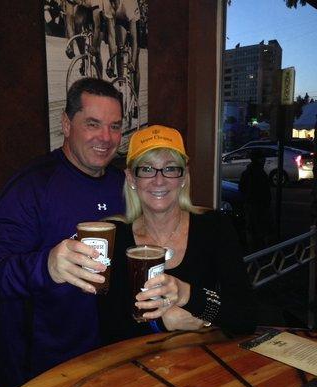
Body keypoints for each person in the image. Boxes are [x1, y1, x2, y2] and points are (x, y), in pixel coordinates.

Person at [0, 78, 125, 387]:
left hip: (108, 360)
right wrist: (46, 265)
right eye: (93, 124)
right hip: (39, 371)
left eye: (115, 126)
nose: (106, 138)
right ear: (66, 124)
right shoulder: (32, 186)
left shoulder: (122, 183)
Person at [98, 125, 256, 345]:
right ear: (131, 178)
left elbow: (246, 317)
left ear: (184, 176)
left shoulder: (215, 227)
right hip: (135, 368)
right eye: (146, 169)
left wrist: (187, 295)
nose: (159, 180)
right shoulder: (115, 236)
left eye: (170, 168)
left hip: (204, 362)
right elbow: (109, 328)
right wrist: (162, 323)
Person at [104, 0, 141, 99]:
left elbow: (134, 40)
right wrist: (112, 65)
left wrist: (132, 62)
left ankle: (135, 99)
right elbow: (111, 37)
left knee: (136, 63)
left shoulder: (128, 4)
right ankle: (121, 89)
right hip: (121, 18)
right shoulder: (108, 5)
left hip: (133, 18)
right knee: (120, 48)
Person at [239, 148, 272, 251]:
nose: (264, 160)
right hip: (257, 205)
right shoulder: (258, 173)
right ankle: (258, 249)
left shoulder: (249, 172)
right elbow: (264, 191)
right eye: (262, 158)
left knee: (252, 228)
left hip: (252, 204)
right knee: (258, 228)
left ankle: (253, 249)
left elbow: (242, 188)